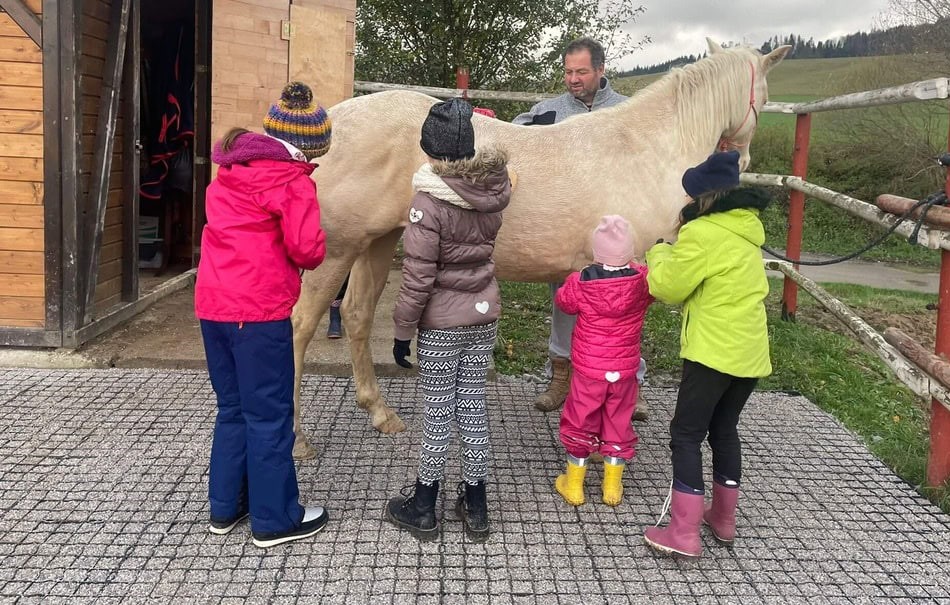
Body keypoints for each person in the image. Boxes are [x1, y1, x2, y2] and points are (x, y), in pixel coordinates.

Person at [196, 81, 332, 548]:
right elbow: (308, 251)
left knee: (232, 408)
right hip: (257, 311)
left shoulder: (229, 173)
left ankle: (226, 507)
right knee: (270, 414)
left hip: (212, 307)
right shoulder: (292, 182)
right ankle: (275, 520)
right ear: (309, 144)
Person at [386, 98, 512, 542]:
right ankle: (475, 505)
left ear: (429, 149)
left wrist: (403, 330)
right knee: (473, 406)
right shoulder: (492, 194)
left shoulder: (428, 202)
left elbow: (418, 277)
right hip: (483, 314)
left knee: (439, 412)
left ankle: (423, 506)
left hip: (442, 322)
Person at [642, 150, 772, 558]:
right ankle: (723, 519)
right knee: (724, 430)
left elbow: (666, 287)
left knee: (685, 434)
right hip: (749, 353)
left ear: (703, 198)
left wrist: (660, 251)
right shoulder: (747, 229)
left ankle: (682, 533)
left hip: (713, 352)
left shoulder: (704, 233)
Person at [512, 36, 649, 419]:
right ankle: (561, 378)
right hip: (566, 227)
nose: (573, 79)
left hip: (619, 232)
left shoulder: (629, 113)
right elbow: (513, 144)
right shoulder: (547, 112)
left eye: (581, 71)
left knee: (627, 303)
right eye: (568, 71)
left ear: (601, 69)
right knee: (566, 301)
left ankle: (630, 383)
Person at [552, 216, 653, 508]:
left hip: (589, 369)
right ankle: (612, 487)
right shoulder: (641, 281)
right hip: (623, 370)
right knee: (619, 420)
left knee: (581, 419)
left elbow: (564, 303)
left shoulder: (581, 281)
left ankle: (574, 485)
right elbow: (652, 293)